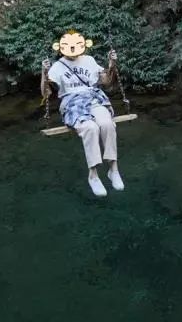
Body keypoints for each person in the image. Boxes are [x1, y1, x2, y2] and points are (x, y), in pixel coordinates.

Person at [41, 30, 125, 197]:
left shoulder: (89, 60)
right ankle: (93, 175)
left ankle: (113, 169)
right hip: (72, 102)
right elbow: (46, 94)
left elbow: (106, 82)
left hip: (93, 98)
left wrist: (112, 65)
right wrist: (44, 74)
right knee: (90, 128)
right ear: (61, 47)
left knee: (107, 124)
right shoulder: (57, 66)